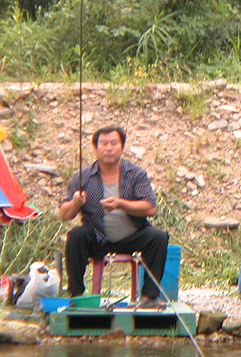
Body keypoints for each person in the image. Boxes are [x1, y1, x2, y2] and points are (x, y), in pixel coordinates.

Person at [59, 125, 169, 306]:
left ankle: (149, 297)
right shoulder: (83, 177)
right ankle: (76, 295)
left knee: (158, 237)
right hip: (98, 238)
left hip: (133, 236)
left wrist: (121, 204)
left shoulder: (136, 174)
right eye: (104, 143)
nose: (109, 148)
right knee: (76, 235)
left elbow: (150, 208)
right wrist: (75, 203)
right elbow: (64, 215)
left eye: (114, 143)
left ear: (122, 147)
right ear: (95, 148)